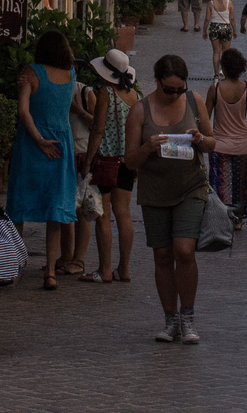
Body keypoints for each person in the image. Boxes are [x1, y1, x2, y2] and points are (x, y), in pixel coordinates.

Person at [125, 54, 215, 344]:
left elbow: (213, 142)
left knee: (184, 250)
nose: (176, 94)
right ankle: (170, 319)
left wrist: (201, 139)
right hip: (154, 191)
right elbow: (129, 162)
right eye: (169, 89)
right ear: (158, 81)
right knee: (162, 255)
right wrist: (148, 147)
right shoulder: (140, 110)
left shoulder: (194, 101)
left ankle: (188, 317)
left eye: (180, 88)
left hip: (191, 186)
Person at [7, 31, 79, 290]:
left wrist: (38, 139)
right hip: (61, 145)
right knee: (55, 210)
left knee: (18, 207)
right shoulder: (71, 74)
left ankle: (12, 265)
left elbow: (23, 110)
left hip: (31, 143)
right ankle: (50, 272)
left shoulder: (31, 72)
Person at [89, 49, 140, 283]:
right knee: (124, 215)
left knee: (103, 216)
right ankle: (125, 268)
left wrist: (88, 160)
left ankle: (105, 269)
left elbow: (98, 130)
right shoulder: (135, 96)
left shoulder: (105, 92)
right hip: (127, 161)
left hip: (106, 161)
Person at [206, 48, 247, 229]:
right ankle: (238, 219)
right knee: (241, 184)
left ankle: (221, 217)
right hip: (243, 145)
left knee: (219, 184)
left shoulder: (215, 89)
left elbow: (206, 115)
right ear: (241, 68)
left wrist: (202, 140)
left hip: (219, 144)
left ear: (223, 67)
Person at [52, 73, 97, 280]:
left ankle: (78, 259)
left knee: (81, 210)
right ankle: (65, 256)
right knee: (65, 206)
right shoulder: (54, 89)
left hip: (81, 153)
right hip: (63, 153)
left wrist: (78, 111)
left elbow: (97, 125)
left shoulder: (85, 91)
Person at [206, 0, 235, 77]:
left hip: (214, 27)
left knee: (216, 52)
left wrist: (204, 30)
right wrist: (234, 30)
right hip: (226, 28)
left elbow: (207, 19)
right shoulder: (229, 3)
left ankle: (215, 75)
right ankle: (224, 71)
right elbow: (232, 19)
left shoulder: (211, 3)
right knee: (226, 52)